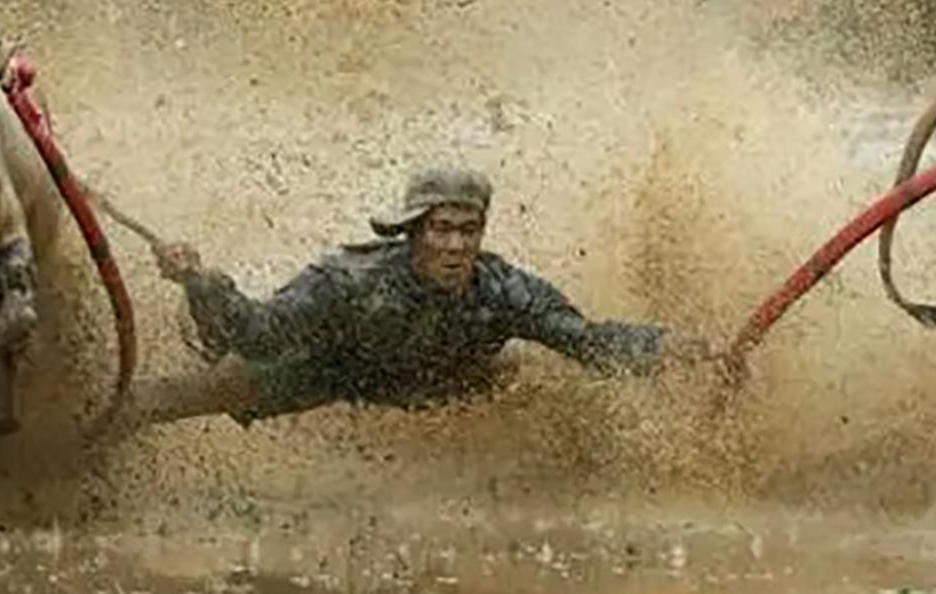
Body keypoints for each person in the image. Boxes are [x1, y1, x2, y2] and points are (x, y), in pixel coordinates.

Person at [126, 167, 703, 430]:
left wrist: (670, 347)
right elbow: (258, 332)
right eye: (441, 230)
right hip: (326, 370)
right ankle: (100, 428)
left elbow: (587, 341)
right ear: (413, 232)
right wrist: (198, 281)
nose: (455, 246)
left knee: (527, 371)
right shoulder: (350, 280)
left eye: (468, 231)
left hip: (437, 384)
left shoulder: (505, 290)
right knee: (202, 388)